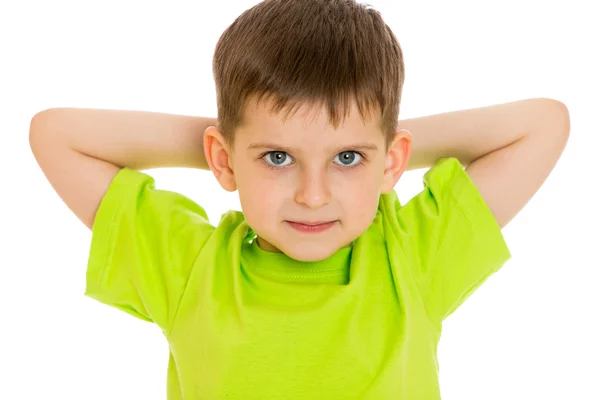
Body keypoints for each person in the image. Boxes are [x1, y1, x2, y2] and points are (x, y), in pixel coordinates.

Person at [28, 0, 570, 398]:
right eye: (278, 158)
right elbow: (55, 135)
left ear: (391, 161)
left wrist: (370, 141)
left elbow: (544, 124)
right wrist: (238, 141)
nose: (314, 196)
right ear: (222, 158)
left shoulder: (413, 257)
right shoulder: (190, 267)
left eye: (347, 159)